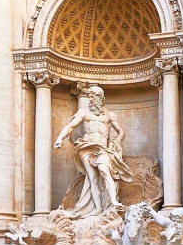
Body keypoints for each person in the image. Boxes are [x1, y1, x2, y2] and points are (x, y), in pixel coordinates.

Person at [54, 85, 131, 217]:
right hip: (87, 146)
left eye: (96, 96)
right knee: (93, 178)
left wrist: (116, 141)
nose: (93, 98)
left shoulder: (110, 114)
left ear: (102, 97)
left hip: (102, 148)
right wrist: (60, 138)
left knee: (104, 170)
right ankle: (98, 209)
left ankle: (113, 201)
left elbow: (121, 131)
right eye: (92, 96)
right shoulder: (84, 112)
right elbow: (70, 126)